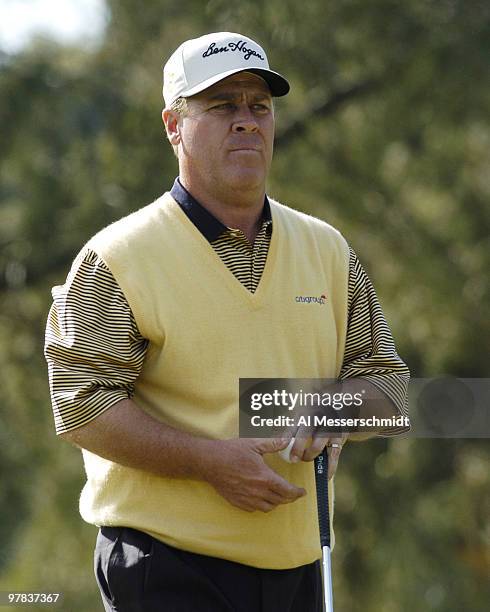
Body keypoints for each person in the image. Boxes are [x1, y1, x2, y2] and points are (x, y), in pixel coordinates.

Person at [44, 32, 410, 612]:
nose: (246, 121)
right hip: (165, 562)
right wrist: (208, 463)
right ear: (173, 124)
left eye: (258, 106)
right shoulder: (115, 257)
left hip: (300, 567)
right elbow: (83, 408)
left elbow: (386, 383)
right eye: (221, 106)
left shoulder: (327, 249)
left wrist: (329, 411)